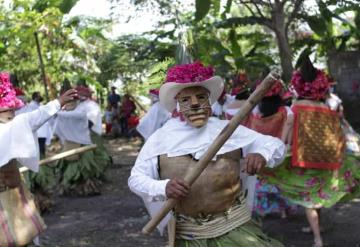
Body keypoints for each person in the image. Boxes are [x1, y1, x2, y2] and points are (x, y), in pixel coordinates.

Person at [128, 62, 286, 246]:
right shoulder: (160, 139)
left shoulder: (227, 129)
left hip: (234, 229)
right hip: (189, 236)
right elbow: (136, 179)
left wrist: (261, 153)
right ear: (177, 105)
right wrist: (163, 187)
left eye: (200, 97)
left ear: (209, 101)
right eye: (186, 100)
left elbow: (274, 144)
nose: (194, 104)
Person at [262, 56, 360, 247]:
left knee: (308, 201)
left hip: (304, 162)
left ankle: (317, 239)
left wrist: (278, 149)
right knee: (316, 196)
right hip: (327, 161)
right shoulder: (325, 108)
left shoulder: (296, 106)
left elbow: (288, 128)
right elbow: (338, 132)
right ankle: (317, 228)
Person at [0, 71, 76, 246]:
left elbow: (37, 117)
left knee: (21, 237)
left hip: (12, 193)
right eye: (6, 111)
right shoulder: (12, 126)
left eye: (12, 110)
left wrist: (58, 102)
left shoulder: (16, 124)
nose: (11, 113)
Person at [243, 77, 297, 218]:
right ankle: (284, 210)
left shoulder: (255, 112)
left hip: (259, 151)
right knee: (281, 181)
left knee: (261, 181)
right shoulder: (286, 111)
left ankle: (262, 210)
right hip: (278, 150)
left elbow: (252, 131)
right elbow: (286, 135)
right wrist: (282, 147)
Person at [54, 83, 111, 195]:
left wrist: (79, 129)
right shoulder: (78, 106)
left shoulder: (91, 105)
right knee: (72, 162)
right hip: (74, 140)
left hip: (89, 136)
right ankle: (73, 185)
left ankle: (90, 183)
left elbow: (88, 122)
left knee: (91, 160)